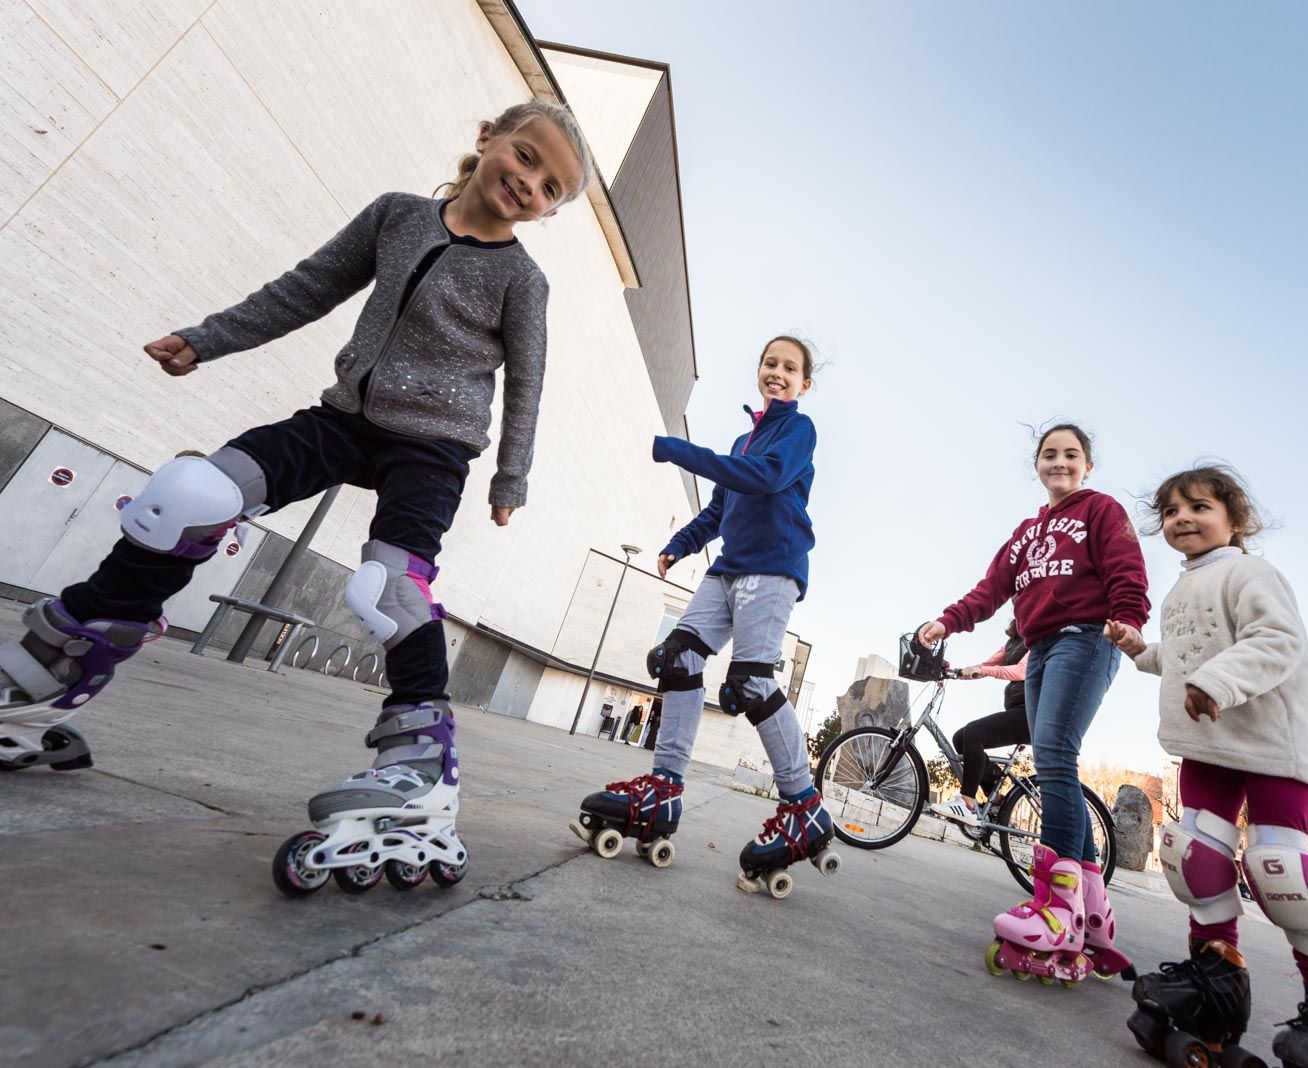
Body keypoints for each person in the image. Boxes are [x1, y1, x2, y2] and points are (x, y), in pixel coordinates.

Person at [0, 100, 595, 899]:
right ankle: (55, 666)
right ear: (487, 137)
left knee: (388, 587)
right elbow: (307, 288)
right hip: (342, 420)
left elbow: (527, 384)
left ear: (553, 208)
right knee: (185, 495)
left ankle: (422, 771)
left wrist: (509, 478)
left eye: (550, 185)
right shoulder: (396, 216)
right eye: (525, 157)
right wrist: (208, 338)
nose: (529, 183)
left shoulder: (523, 279)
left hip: (435, 444)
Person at [1108, 465, 1308, 1067]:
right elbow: (1189, 655)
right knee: (1195, 859)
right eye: (1172, 512)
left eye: (1200, 507)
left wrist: (1216, 680)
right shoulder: (1182, 589)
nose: (1183, 519)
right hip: (1209, 743)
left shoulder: (1250, 572)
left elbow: (1277, 640)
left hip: (1268, 746)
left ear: (1236, 521)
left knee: (1278, 869)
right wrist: (1142, 652)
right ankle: (1217, 979)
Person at [570, 337, 839, 897]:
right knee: (677, 655)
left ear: (804, 384)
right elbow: (720, 508)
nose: (778, 373)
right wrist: (681, 543)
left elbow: (764, 478)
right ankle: (663, 790)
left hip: (773, 567)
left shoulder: (798, 431)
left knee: (753, 681)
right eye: (770, 364)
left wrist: (679, 451)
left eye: (791, 368)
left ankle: (804, 807)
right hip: (728, 569)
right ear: (758, 371)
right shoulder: (742, 438)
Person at [919, 423, 1148, 982]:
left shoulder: (1100, 509)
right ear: (1037, 465)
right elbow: (991, 588)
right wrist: (947, 621)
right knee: (1054, 762)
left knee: (1053, 756)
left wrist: (1128, 620)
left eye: (1071, 454)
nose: (1060, 462)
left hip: (1088, 637)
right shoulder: (1026, 533)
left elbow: (1126, 570)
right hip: (1042, 646)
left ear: (1087, 465)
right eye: (1050, 454)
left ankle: (1057, 902)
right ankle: (1092, 906)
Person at [929, 618, 1030, 829]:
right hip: (1017, 711)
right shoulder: (1012, 641)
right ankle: (997, 801)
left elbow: (1021, 671)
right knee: (960, 738)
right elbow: (986, 665)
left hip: (1032, 714)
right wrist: (956, 672)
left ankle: (967, 803)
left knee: (974, 733)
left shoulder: (1036, 638)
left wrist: (983, 670)